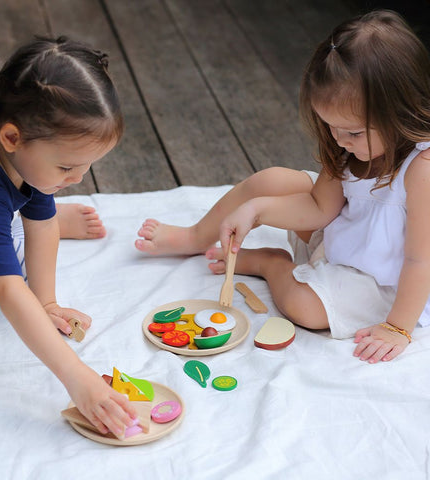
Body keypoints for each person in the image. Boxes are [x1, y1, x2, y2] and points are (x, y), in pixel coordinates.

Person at [135, 9, 430, 364]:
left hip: (393, 282)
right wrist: (257, 210)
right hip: (347, 237)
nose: (339, 139)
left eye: (351, 132)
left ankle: (271, 264)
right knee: (270, 181)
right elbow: (321, 208)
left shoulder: (422, 168)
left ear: (401, 112)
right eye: (330, 126)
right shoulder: (348, 145)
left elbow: (419, 261)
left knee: (304, 309)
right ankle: (196, 235)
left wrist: (398, 327)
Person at [0, 36, 137, 436]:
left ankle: (8, 224)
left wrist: (47, 301)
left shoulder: (19, 134)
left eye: (87, 166)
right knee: (5, 263)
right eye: (69, 167)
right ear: (12, 139)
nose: (80, 178)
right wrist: (76, 377)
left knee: (33, 217)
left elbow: (43, 224)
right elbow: (9, 292)